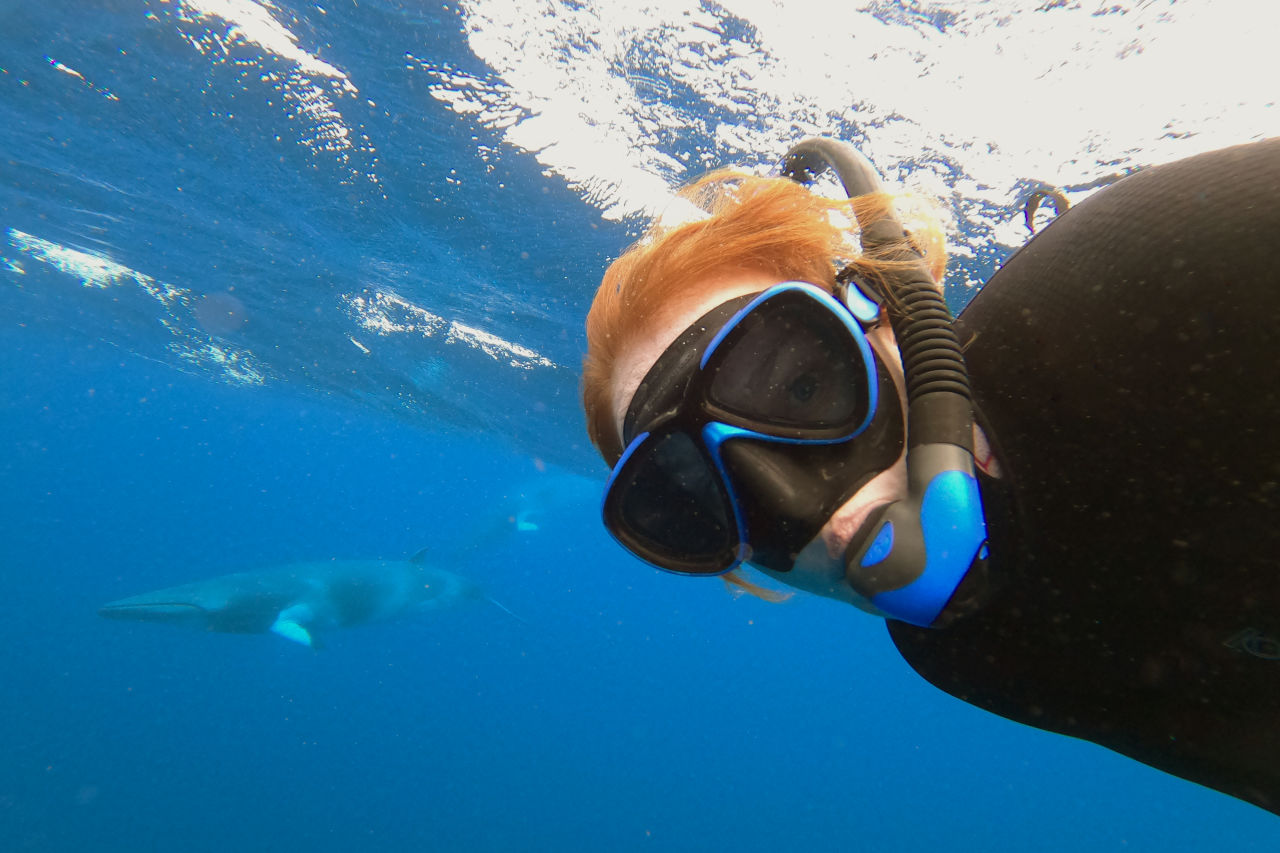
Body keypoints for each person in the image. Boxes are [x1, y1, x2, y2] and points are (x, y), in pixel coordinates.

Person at [580, 136, 1280, 815]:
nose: (810, 514)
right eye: (702, 496)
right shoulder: (965, 650)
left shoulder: (1159, 264)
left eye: (799, 387)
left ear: (891, 312)